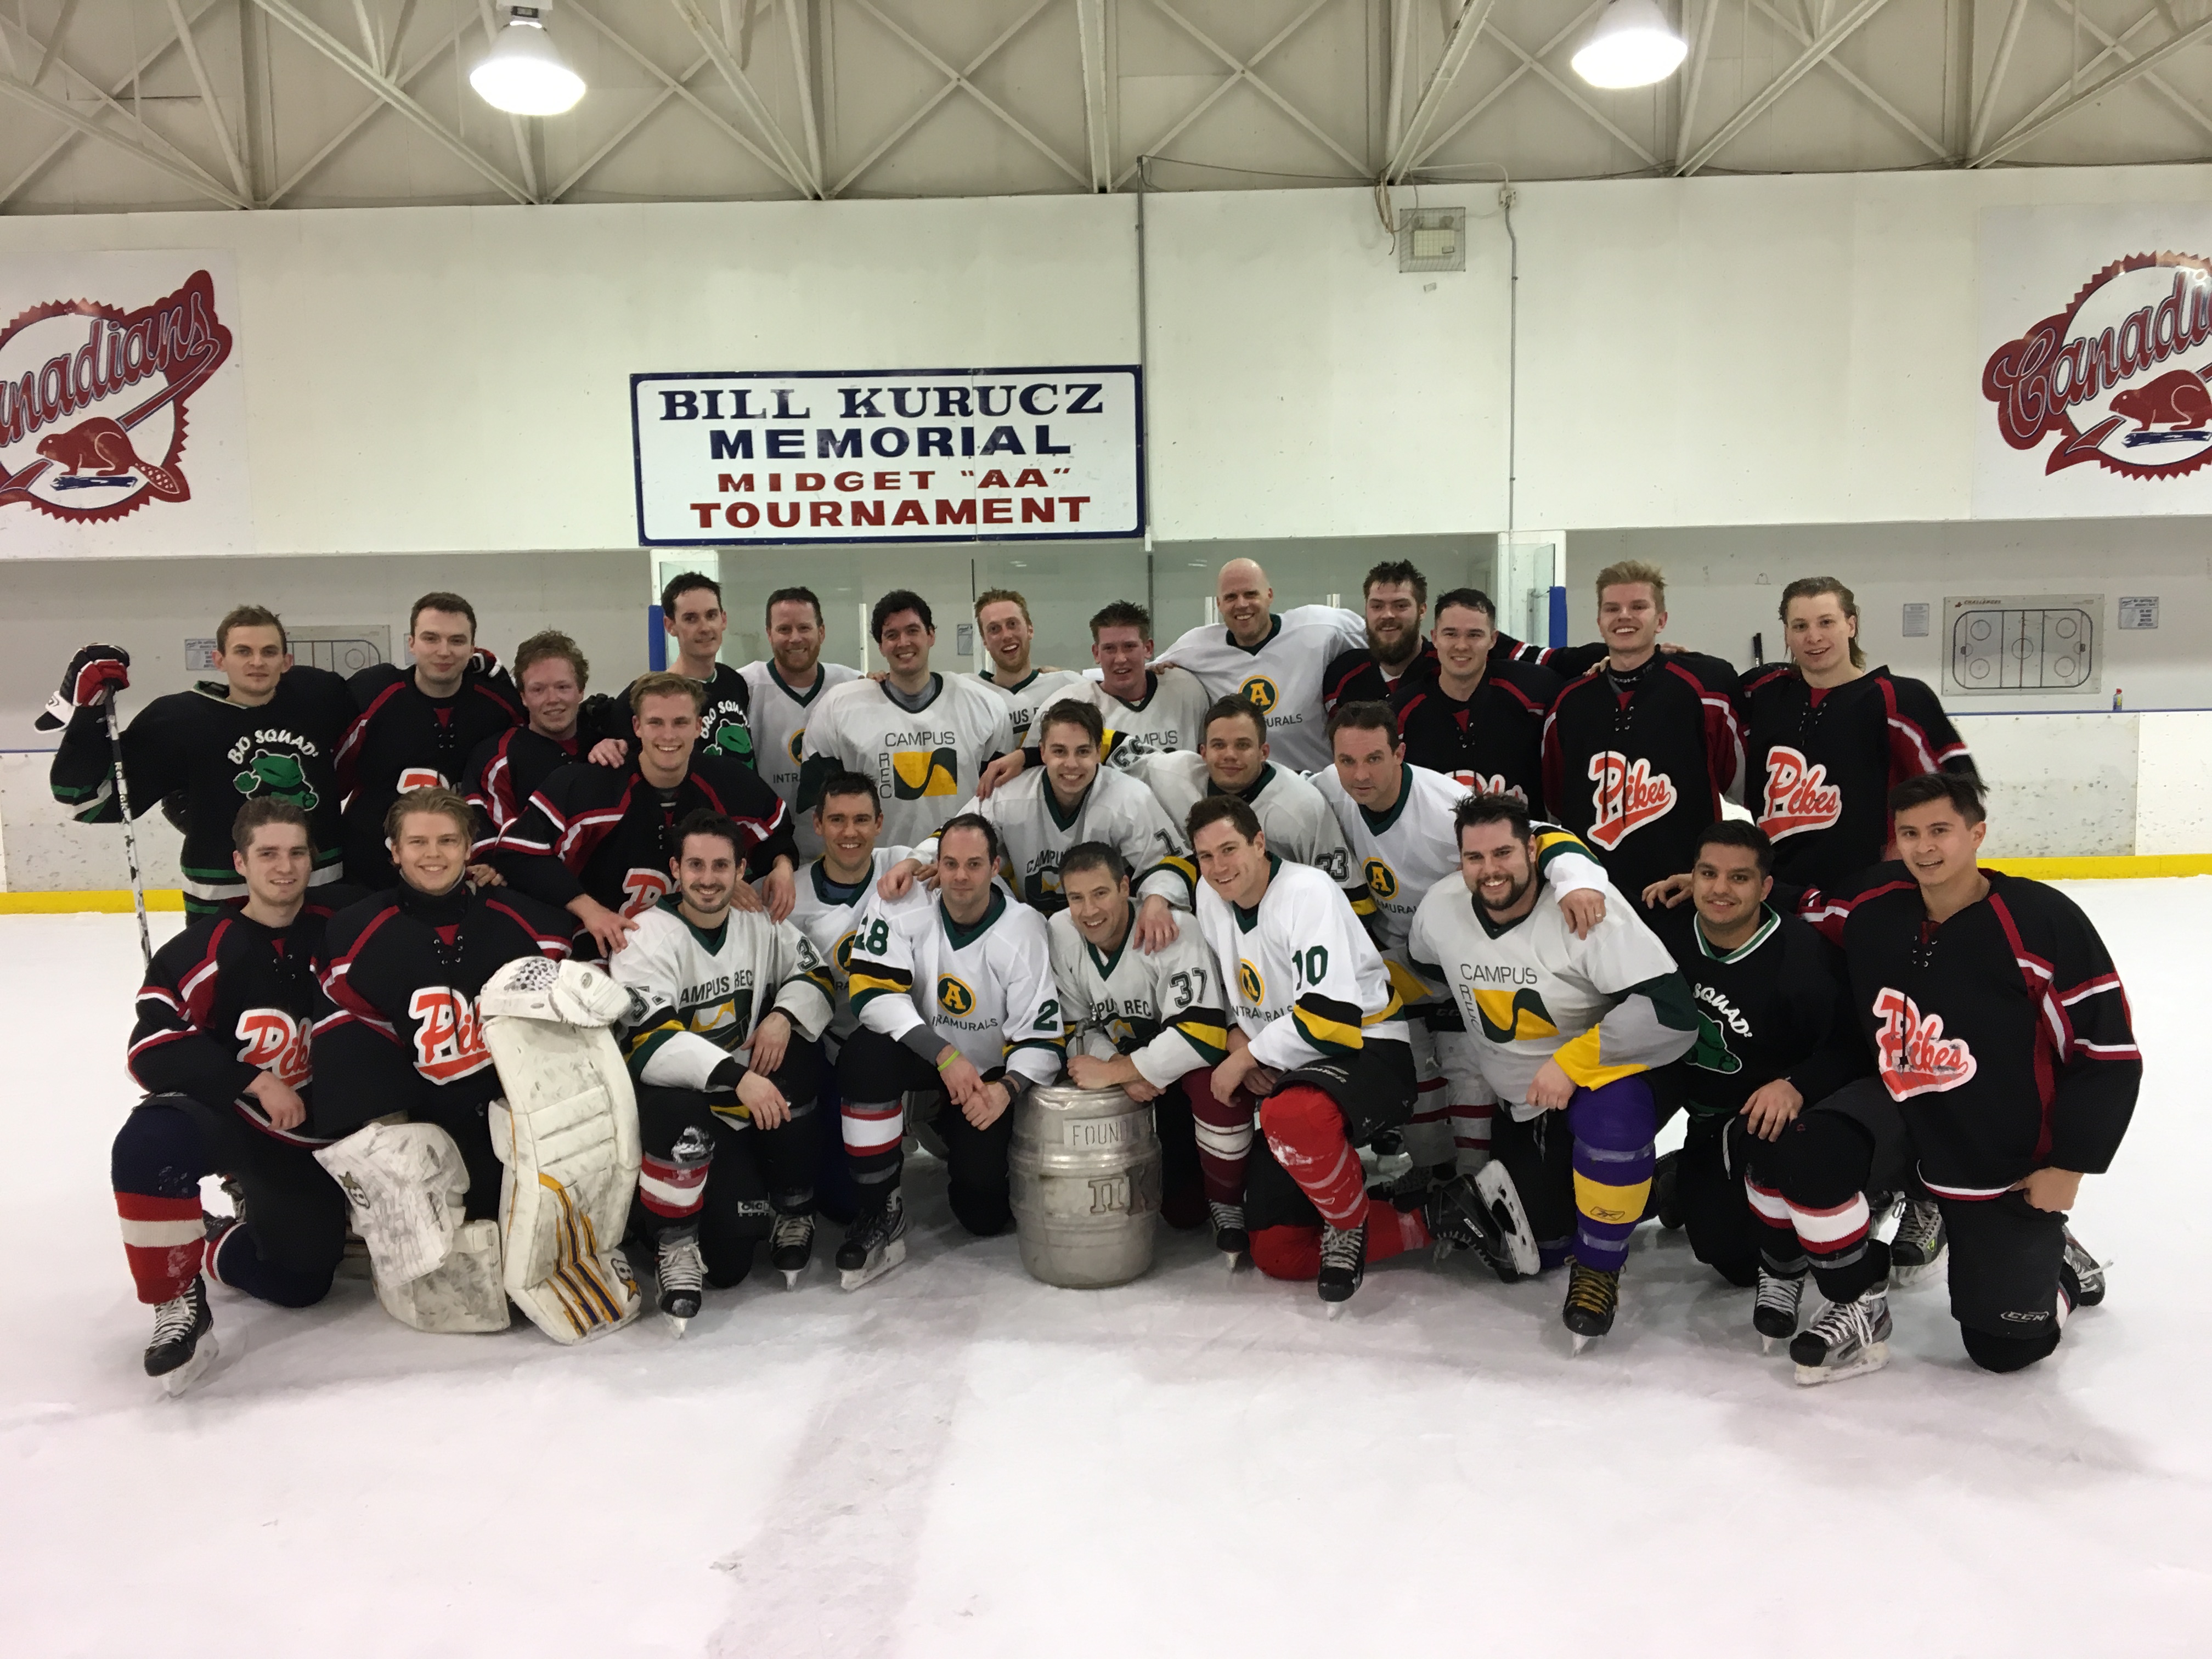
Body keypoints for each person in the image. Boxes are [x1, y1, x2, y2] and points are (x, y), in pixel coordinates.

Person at [1770, 773, 2135, 1382]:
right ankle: (1857, 1301)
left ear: (1977, 833)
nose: (1924, 847)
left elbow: (2108, 1050)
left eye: (1940, 830)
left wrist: (2071, 1165)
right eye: (1910, 833)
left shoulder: (2041, 921)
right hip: (1903, 1112)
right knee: (1810, 1150)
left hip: (1999, 1149)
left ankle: (2061, 1266)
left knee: (2006, 1351)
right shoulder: (1875, 903)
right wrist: (1717, 888)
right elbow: (1804, 904)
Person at [1407, 793, 1699, 1348]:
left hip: (1608, 1076)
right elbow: (1424, 970)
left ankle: (1598, 1272)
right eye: (1475, 858)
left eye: (1504, 854)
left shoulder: (1585, 907)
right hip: (1528, 1104)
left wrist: (1572, 1062)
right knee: (1540, 1244)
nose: (1490, 871)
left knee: (1611, 1125)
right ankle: (1667, 1185)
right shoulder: (1441, 908)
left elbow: (1674, 1013)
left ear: (1534, 850)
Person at [1187, 795, 1491, 1307]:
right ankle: (1441, 1215)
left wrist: (1249, 1056)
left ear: (1259, 843)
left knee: (1293, 1113)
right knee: (1278, 1251)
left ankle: (1348, 1224)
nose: (1219, 867)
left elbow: (1329, 1018)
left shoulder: (1306, 892)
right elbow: (1235, 986)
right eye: (1205, 856)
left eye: (1229, 849)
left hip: (1368, 1049)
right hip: (1292, 1063)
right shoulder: (1209, 893)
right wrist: (1242, 1038)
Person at [110, 799, 356, 1392]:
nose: (284, 867)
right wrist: (252, 1079)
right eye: (268, 854)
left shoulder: (344, 927)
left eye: (297, 853)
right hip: (231, 1119)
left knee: (303, 1283)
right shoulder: (203, 947)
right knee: (149, 1141)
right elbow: (151, 1047)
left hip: (309, 1137)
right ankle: (176, 1298)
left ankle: (217, 1237)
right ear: (240, 863)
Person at [1314, 702, 1607, 1189]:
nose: (1360, 774)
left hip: (1469, 951)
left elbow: (1534, 837)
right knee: (1410, 1060)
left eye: (1374, 759)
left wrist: (1578, 880)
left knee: (1468, 1069)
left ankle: (1475, 1181)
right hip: (1398, 957)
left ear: (1400, 753)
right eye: (1347, 761)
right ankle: (1430, 1174)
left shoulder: (1445, 803)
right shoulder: (1327, 787)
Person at [611, 811, 838, 1328]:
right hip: (687, 1102)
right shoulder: (645, 934)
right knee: (675, 1102)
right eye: (695, 865)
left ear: (740, 871)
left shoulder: (758, 922)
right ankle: (674, 1242)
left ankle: (792, 1204)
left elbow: (816, 973)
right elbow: (651, 1042)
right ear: (676, 868)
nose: (708, 879)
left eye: (720, 866)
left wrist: (782, 1015)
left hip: (742, 1097)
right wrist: (739, 1078)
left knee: (800, 1056)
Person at [312, 788, 575, 1218]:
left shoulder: (533, 926)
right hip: (417, 1127)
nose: (433, 854)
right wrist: (394, 1146)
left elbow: (561, 1044)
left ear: (469, 849)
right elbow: (353, 1055)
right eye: (417, 842)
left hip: (508, 1123)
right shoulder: (352, 937)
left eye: (448, 841)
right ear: (394, 852)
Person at [1644, 820, 1866, 1314]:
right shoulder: (1665, 930)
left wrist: (1795, 1085)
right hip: (1695, 1114)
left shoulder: (1802, 960)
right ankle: (1676, 1176)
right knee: (1730, 1257)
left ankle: (1867, 1186)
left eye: (1739, 878)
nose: (1720, 889)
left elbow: (1850, 1048)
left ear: (1766, 888)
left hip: (1762, 1126)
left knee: (1748, 1258)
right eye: (1708, 874)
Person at [837, 814, 1063, 1287]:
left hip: (986, 1075)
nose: (961, 876)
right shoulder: (904, 904)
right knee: (864, 1054)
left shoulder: (1024, 930)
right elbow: (870, 995)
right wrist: (943, 1054)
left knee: (982, 1214)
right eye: (952, 864)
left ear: (995, 866)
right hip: (927, 1054)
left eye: (975, 864)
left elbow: (1041, 1039)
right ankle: (879, 1207)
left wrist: (1007, 1089)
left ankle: (947, 1123)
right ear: (935, 866)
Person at [46, 605, 354, 912]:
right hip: (222, 896)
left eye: (269, 652)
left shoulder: (318, 698)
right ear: (219, 659)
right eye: (243, 651)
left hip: (319, 887)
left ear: (287, 662)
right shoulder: (178, 721)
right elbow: (86, 799)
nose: (257, 662)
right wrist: (89, 715)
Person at [495, 674, 797, 958]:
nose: (669, 735)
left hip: (700, 956)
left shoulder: (728, 781)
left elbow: (776, 831)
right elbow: (518, 854)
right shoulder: (587, 785)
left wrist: (780, 867)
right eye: (656, 723)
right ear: (637, 726)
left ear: (699, 727)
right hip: (605, 953)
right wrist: (589, 909)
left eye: (680, 722)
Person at [1048, 842, 1241, 1248]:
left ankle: (1232, 1197)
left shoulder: (1173, 928)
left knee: (1214, 1082)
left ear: (1124, 887)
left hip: (1189, 1068)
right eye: (1075, 898)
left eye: (1100, 893)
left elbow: (1203, 1037)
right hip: (1141, 1072)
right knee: (1182, 1212)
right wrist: (1116, 1062)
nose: (1088, 911)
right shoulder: (1061, 932)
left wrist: (1121, 1070)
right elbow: (1072, 1027)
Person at [1737, 576, 1973, 900]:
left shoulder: (1897, 699)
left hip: (1871, 897)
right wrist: (1660, 657)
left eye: (1826, 622)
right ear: (1787, 635)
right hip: (1780, 896)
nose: (1814, 637)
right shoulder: (1763, 691)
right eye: (1800, 626)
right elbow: (1701, 696)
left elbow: (1959, 793)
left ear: (1851, 625)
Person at [881, 699, 1190, 940]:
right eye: (1059, 751)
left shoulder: (1130, 798)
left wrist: (1159, 898)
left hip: (1104, 929)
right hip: (1025, 930)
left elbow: (1171, 862)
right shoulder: (1008, 794)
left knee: (1174, 920)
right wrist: (914, 860)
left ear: (1099, 751)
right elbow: (958, 834)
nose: (1071, 764)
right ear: (1041, 752)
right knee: (939, 883)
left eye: (1083, 751)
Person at [1541, 560, 1745, 905]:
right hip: (1593, 899)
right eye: (1612, 609)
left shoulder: (1706, 690)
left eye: (1639, 607)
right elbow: (1556, 805)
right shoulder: (1568, 702)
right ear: (1600, 622)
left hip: (1680, 895)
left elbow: (1741, 786)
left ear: (1661, 620)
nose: (1624, 616)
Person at [798, 590, 1017, 849]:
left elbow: (1000, 803)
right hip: (874, 872)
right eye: (892, 635)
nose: (903, 642)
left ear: (931, 635)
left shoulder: (984, 705)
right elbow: (816, 806)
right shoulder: (837, 707)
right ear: (880, 646)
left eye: (913, 631)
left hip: (957, 870)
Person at [1119, 695, 1367, 915]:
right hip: (1208, 914)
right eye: (1219, 745)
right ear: (1203, 752)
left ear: (1264, 752)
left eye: (1242, 745)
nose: (1229, 755)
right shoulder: (1174, 772)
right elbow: (1106, 747)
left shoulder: (1301, 808)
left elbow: (1353, 902)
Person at [335, 591, 520, 884]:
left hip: (464, 870)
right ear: (411, 643)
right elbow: (331, 778)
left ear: (473, 646)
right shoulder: (373, 696)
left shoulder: (499, 703)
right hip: (372, 868)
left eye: (457, 641)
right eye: (431, 638)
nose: (444, 651)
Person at [1153, 557, 1367, 772]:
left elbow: (1382, 640)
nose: (1242, 604)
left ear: (1270, 596)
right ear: (1219, 604)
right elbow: (1144, 672)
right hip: (1246, 790)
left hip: (1317, 781)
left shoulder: (1322, 627)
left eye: (1251, 594)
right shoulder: (1195, 648)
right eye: (1230, 597)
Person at [1393, 588, 1564, 809]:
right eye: (1451, 634)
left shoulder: (1536, 694)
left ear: (1493, 639)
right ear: (1434, 638)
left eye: (1474, 634)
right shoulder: (1402, 711)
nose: (1462, 645)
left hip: (1519, 840)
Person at [736, 585, 861, 858]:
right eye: (784, 629)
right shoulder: (742, 686)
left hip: (838, 848)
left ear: (822, 632)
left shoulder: (854, 686)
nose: (795, 638)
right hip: (765, 850)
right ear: (769, 634)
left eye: (804, 628)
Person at [591, 570, 757, 768]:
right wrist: (603, 746)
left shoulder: (733, 680)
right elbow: (615, 756)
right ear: (670, 625)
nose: (705, 627)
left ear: (724, 619)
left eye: (711, 615)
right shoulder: (641, 696)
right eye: (691, 618)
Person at [461, 629, 593, 853]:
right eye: (538, 690)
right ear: (522, 697)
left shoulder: (605, 744)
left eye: (563, 687)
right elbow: (502, 850)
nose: (552, 699)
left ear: (581, 691)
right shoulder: (498, 759)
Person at [1080, 600, 1211, 752]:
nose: (1121, 659)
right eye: (1109, 648)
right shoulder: (1078, 705)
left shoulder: (1187, 690)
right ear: (1096, 653)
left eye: (1130, 647)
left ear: (1148, 648)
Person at [970, 588, 1088, 749]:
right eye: (994, 629)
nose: (1006, 636)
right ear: (984, 640)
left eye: (1012, 624)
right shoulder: (970, 694)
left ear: (1030, 629)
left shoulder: (1067, 686)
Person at [1322, 559, 1436, 712]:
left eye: (1401, 606)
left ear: (1422, 611)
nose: (1387, 615)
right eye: (1377, 606)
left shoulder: (1444, 670)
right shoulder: (1340, 676)